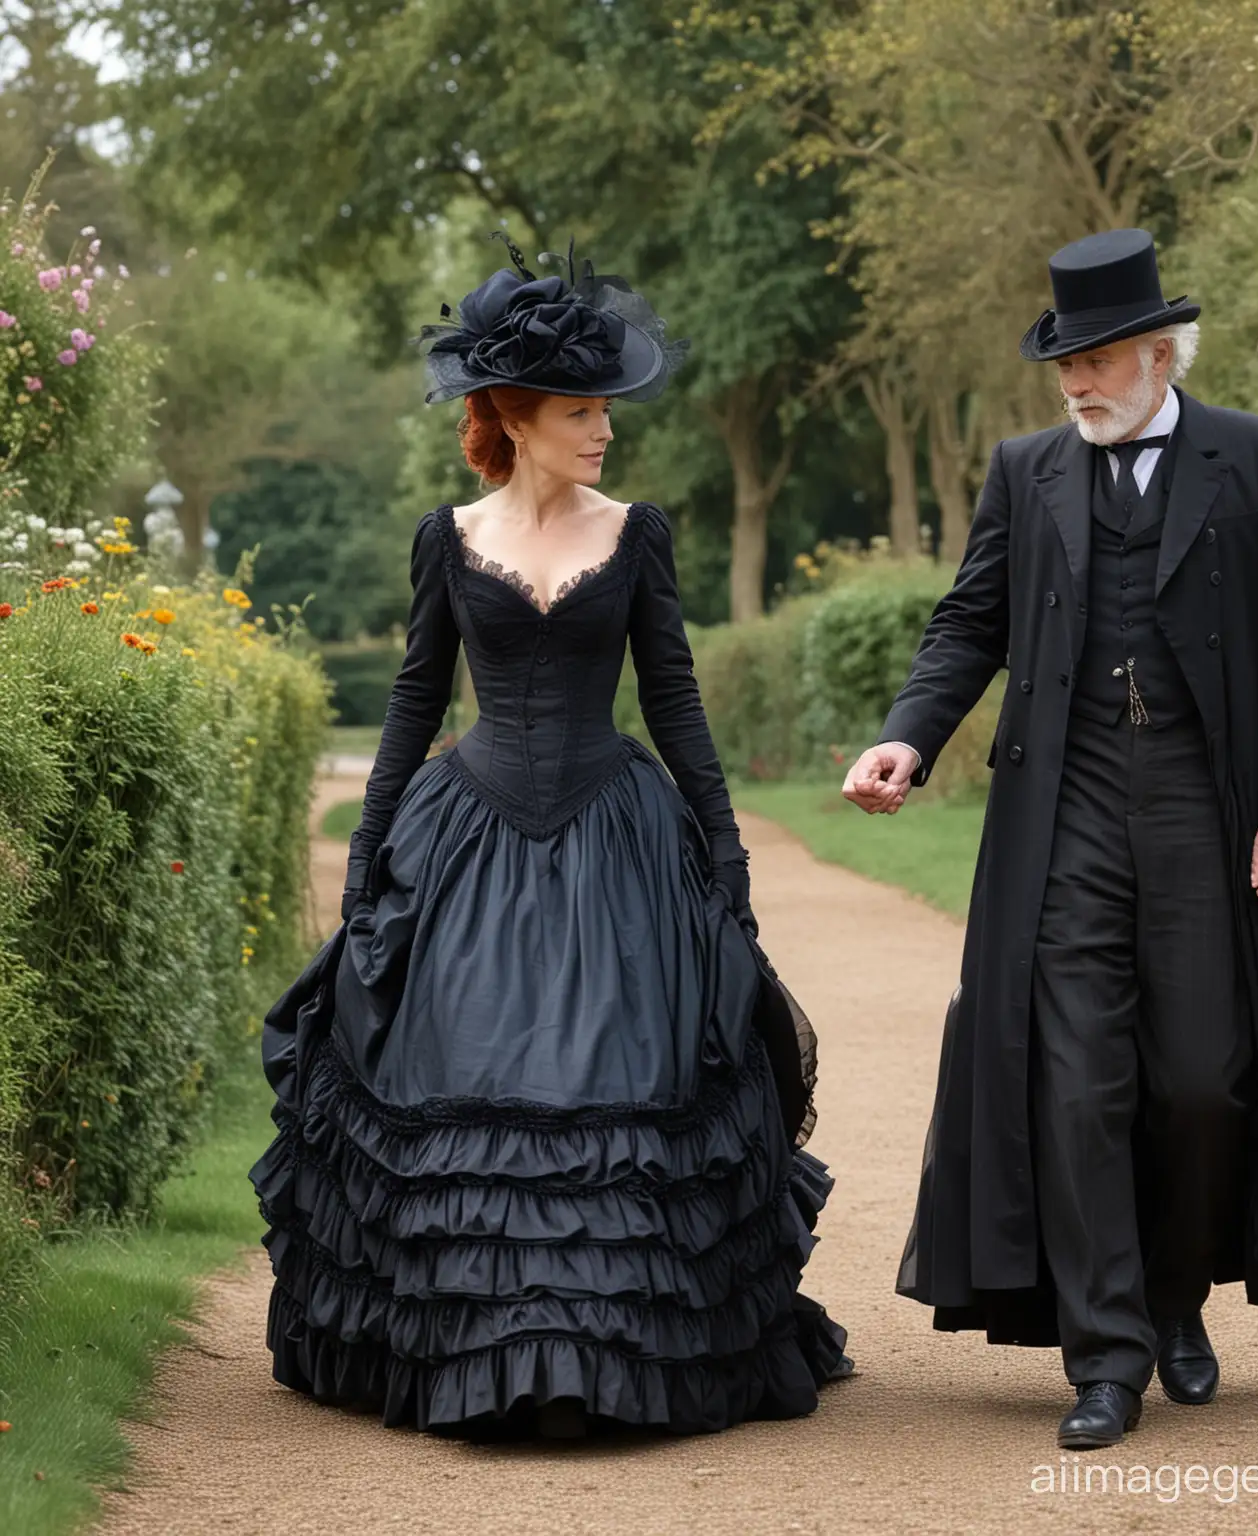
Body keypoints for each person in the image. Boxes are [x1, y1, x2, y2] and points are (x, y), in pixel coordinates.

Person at [252, 236, 849, 1440]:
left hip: (616, 838)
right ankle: (475, 1354)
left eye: (607, 410)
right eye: (585, 410)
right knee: (457, 1081)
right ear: (517, 417)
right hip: (465, 832)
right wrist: (369, 860)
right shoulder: (448, 537)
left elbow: (673, 701)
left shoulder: (638, 534)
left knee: (627, 1083)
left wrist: (724, 855)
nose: (607, 429)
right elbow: (416, 703)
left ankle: (610, 1358)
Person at [842, 229, 1258, 1451]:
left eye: (1093, 363)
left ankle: (1172, 1296)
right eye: (1062, 368)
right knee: (1077, 1082)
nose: (1075, 385)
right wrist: (907, 738)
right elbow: (968, 622)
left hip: (1210, 812)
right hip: (1067, 814)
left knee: (1203, 1081)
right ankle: (1107, 1357)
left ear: (1158, 353)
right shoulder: (1026, 469)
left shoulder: (1256, 458)